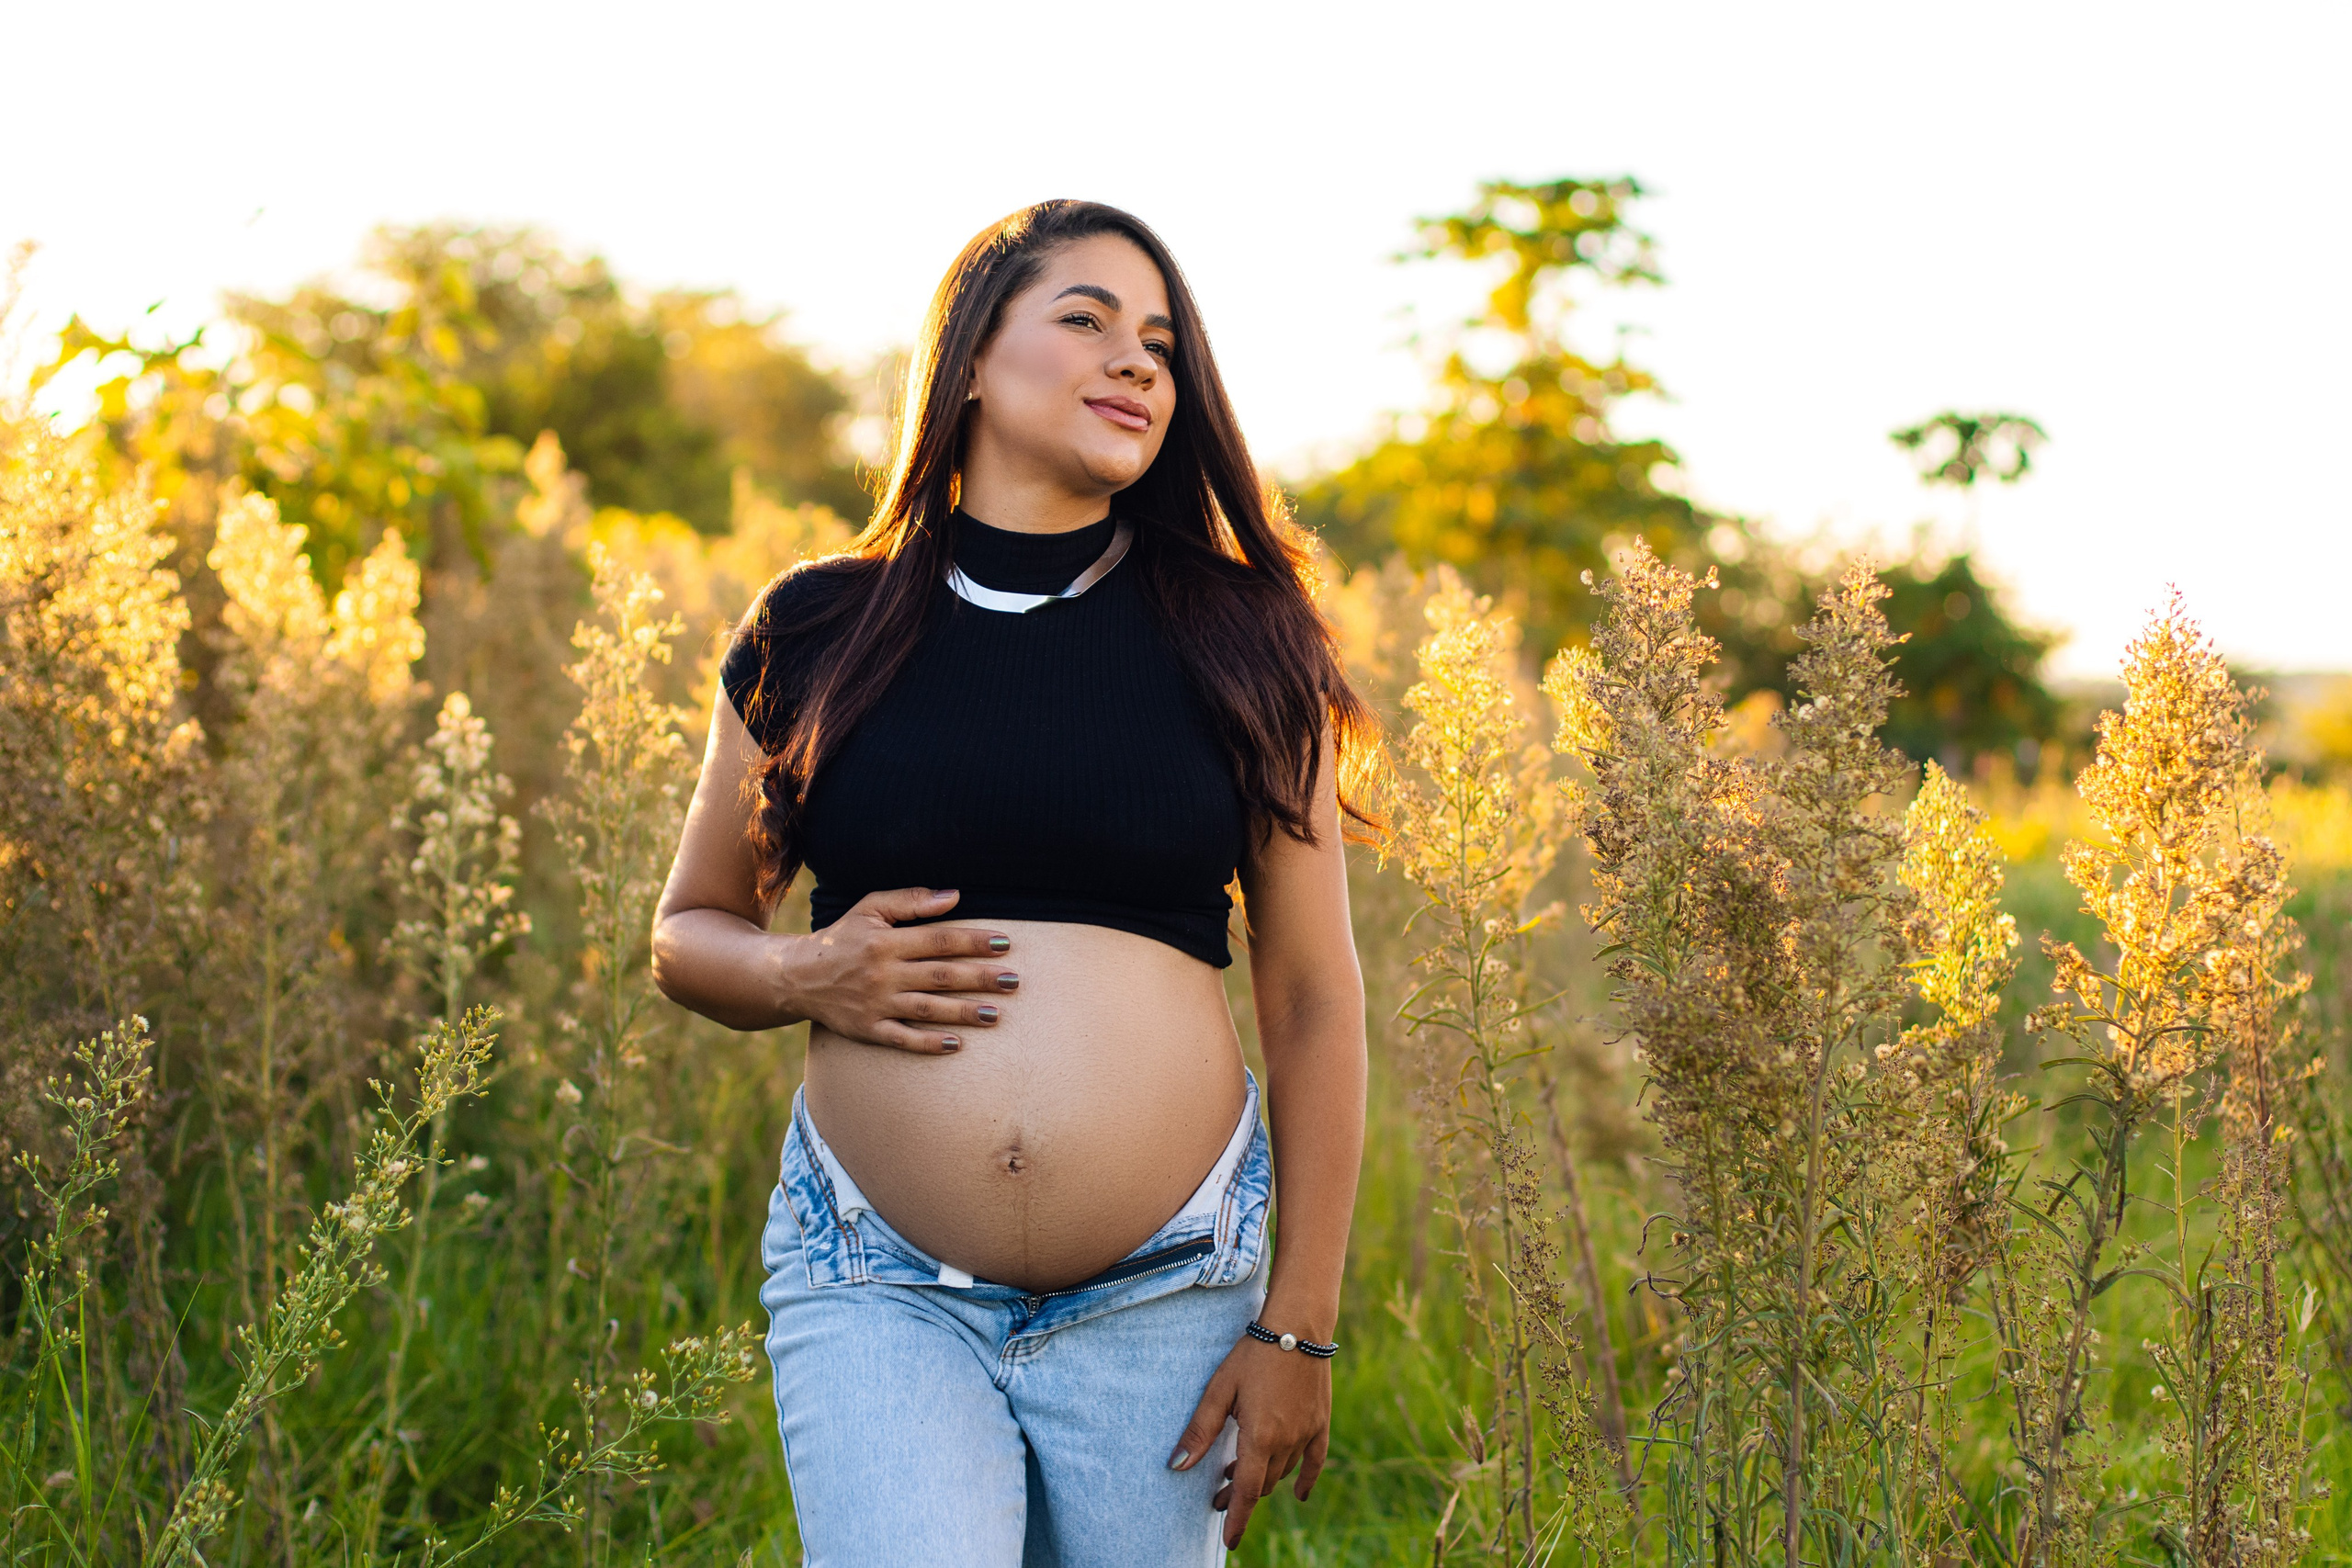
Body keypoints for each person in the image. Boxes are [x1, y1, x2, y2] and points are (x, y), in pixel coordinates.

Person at [651, 198, 1376, 1564]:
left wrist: (1299, 1322)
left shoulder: (1241, 638)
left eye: (1162, 343)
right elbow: (690, 934)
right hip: (879, 1281)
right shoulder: (817, 629)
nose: (1140, 364)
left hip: (1171, 1291)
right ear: (972, 358)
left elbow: (1313, 999)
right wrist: (807, 971)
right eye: (1088, 320)